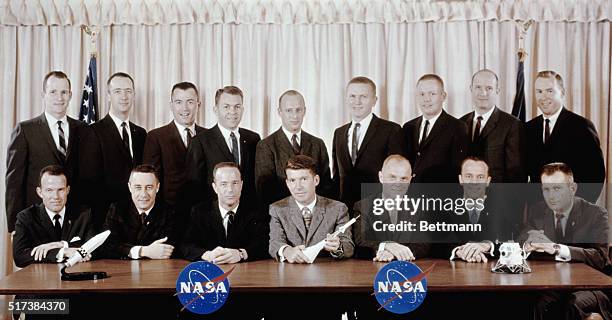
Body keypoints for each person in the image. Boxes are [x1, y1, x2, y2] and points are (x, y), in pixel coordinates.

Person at [520, 163, 610, 320]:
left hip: (590, 287)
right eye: (546, 189)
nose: (551, 196)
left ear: (572, 188)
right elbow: (522, 237)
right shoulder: (538, 210)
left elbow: (601, 257)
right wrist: (529, 243)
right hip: (554, 285)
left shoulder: (595, 214)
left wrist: (556, 248)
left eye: (557, 188)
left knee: (572, 305)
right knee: (537, 303)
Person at [6, 71, 85, 233]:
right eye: (53, 92)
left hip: (74, 221)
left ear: (70, 95)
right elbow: (14, 183)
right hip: (35, 221)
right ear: (44, 95)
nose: (59, 97)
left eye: (64, 92)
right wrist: (15, 226)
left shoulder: (82, 129)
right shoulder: (25, 130)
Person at [79, 72, 147, 230]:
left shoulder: (141, 133)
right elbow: (89, 183)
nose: (124, 96)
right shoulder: (93, 132)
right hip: (105, 217)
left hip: (135, 217)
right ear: (109, 96)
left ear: (134, 95)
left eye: (128, 91)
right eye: (118, 91)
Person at [526, 70, 605, 203]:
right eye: (539, 92)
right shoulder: (529, 128)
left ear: (562, 92)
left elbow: (595, 175)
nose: (543, 97)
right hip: (538, 211)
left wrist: (579, 208)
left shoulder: (581, 126)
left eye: (549, 91)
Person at [331, 76, 405, 210]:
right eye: (352, 96)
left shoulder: (391, 130)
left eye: (363, 96)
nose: (357, 102)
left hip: (378, 209)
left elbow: (395, 176)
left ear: (374, 100)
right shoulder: (339, 133)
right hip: (345, 210)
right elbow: (336, 178)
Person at [186, 85, 260, 208]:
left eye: (237, 106)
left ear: (243, 109)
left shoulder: (253, 139)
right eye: (226, 107)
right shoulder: (200, 141)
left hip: (247, 213)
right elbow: (194, 187)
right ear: (216, 110)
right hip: (213, 213)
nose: (232, 112)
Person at [255, 90, 332, 209]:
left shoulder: (318, 144)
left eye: (298, 110)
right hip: (281, 217)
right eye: (288, 110)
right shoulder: (266, 145)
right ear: (279, 112)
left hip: (315, 216)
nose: (294, 115)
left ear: (304, 111)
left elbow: (326, 187)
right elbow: (265, 192)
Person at [269, 155, 354, 263]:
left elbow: (348, 247)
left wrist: (337, 247)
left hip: (327, 271)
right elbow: (275, 243)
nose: (298, 186)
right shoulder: (277, 209)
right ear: (287, 183)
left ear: (316, 180)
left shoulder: (338, 208)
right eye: (292, 180)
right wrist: (286, 251)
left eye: (303, 179)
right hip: (291, 273)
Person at [181, 162, 268, 263]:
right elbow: (186, 245)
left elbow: (264, 244)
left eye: (235, 183)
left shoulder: (256, 212)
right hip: (210, 272)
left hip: (246, 272)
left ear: (241, 185)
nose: (230, 190)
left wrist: (241, 253)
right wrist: (207, 255)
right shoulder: (200, 212)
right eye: (224, 184)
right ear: (215, 187)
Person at [13, 165, 94, 268]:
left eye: (60, 190)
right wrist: (62, 252)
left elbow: (95, 247)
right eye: (49, 190)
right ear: (40, 192)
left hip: (77, 276)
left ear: (67, 190)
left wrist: (60, 244)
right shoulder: (26, 217)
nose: (55, 196)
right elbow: (20, 257)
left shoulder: (83, 214)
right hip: (41, 280)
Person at [353, 154, 429, 261]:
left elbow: (423, 244)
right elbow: (360, 241)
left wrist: (396, 254)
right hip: (372, 271)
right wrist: (386, 246)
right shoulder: (363, 206)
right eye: (392, 177)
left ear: (410, 180)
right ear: (381, 177)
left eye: (403, 178)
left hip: (408, 269)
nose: (398, 184)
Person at [143, 81, 205, 206]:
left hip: (203, 213)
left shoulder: (208, 136)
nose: (185, 108)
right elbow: (151, 180)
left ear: (199, 105)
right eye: (179, 102)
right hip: (169, 214)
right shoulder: (156, 137)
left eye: (190, 102)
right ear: (171, 106)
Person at [460, 69, 525, 183]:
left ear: (497, 90)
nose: (483, 93)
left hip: (499, 197)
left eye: (489, 88)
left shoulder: (512, 125)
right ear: (471, 89)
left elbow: (515, 173)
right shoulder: (461, 123)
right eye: (478, 87)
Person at [404, 74, 469, 183]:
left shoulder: (457, 127)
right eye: (422, 94)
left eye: (432, 94)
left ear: (443, 96)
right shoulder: (408, 127)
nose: (426, 99)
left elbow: (458, 170)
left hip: (439, 195)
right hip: (410, 195)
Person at [102, 165, 175, 260]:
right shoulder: (117, 209)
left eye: (149, 187)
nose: (143, 194)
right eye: (138, 187)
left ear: (157, 187)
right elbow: (106, 245)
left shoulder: (169, 212)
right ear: (130, 187)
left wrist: (126, 249)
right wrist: (143, 251)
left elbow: (167, 249)